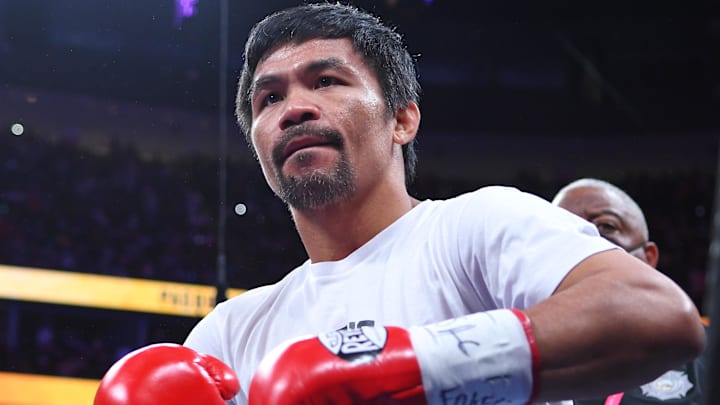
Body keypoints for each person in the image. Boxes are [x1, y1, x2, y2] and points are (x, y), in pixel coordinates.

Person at [93, 3, 706, 405]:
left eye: (327, 81)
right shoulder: (230, 333)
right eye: (267, 99)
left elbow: (656, 313)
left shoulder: (474, 226)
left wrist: (410, 367)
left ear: (403, 119)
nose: (293, 109)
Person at [551, 178, 709, 405]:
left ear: (649, 257)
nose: (583, 242)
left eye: (606, 226)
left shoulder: (707, 351)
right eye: (564, 230)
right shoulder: (516, 355)